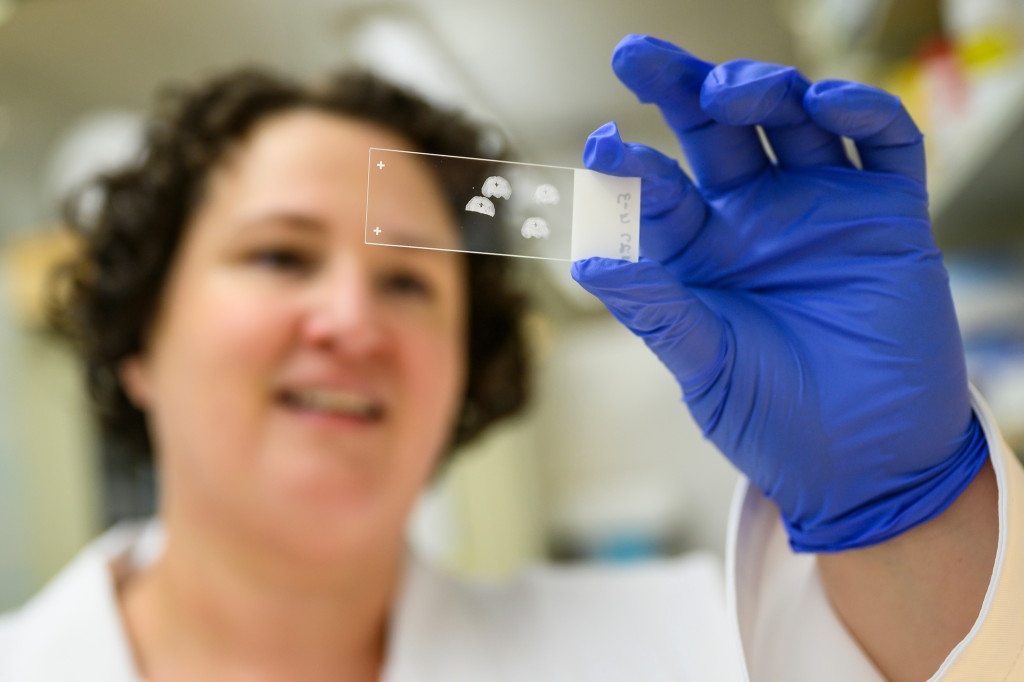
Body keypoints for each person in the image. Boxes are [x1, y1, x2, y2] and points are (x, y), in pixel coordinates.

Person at [0, 32, 1021, 681]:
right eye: (278, 255)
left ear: (459, 374)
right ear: (138, 335)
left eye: (406, 281)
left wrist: (904, 509)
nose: (351, 319)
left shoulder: (689, 645)